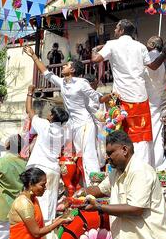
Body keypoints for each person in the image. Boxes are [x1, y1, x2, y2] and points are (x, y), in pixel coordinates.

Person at [23, 46, 110, 185]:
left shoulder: (82, 83)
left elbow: (97, 98)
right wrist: (33, 56)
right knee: (76, 156)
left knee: (89, 155)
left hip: (85, 123)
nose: (64, 65)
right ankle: (82, 186)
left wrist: (110, 96)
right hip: (72, 125)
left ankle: (95, 187)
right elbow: (46, 73)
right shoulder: (62, 83)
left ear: (73, 70)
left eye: (67, 65)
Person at [92, 19, 166, 166]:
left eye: (116, 28)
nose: (114, 31)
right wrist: (164, 53)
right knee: (142, 135)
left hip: (120, 97)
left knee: (119, 132)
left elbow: (96, 59)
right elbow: (153, 66)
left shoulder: (112, 44)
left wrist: (95, 48)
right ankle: (143, 167)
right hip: (140, 96)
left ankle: (122, 167)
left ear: (121, 30)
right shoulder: (140, 46)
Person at [25, 85, 69, 224]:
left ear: (52, 116)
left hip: (40, 169)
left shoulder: (44, 125)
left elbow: (29, 111)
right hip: (53, 170)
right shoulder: (64, 132)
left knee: (36, 203)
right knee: (49, 205)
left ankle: (38, 232)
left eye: (50, 113)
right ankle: (49, 233)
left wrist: (29, 93)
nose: (48, 114)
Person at [145, 36, 166, 171]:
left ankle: (152, 165)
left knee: (149, 134)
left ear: (153, 44)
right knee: (158, 133)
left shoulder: (149, 56)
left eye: (148, 42)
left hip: (149, 99)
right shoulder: (164, 59)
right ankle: (158, 165)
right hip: (159, 98)